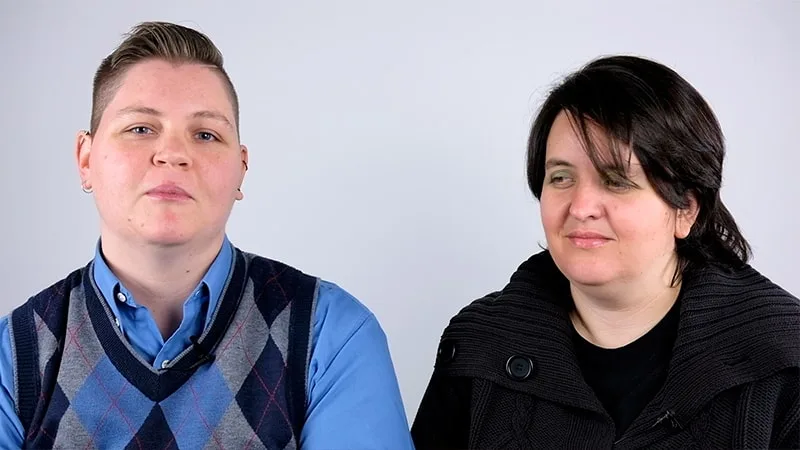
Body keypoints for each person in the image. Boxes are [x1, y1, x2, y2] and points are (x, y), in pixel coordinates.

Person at [0, 21, 414, 449]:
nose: (174, 154)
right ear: (86, 159)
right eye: (141, 128)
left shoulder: (330, 336)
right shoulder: (13, 358)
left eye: (205, 134)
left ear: (241, 168)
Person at [411, 55, 799, 449]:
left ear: (686, 209)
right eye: (561, 177)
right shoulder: (479, 348)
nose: (580, 207)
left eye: (616, 181)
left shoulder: (785, 361)